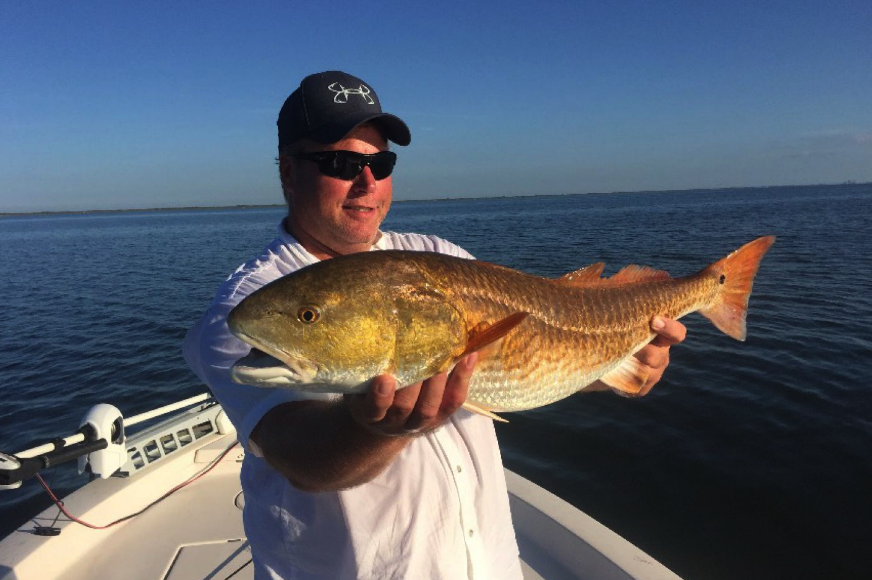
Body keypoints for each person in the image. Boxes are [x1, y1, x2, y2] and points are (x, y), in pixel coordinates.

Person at [183, 70, 686, 580]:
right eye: (341, 163)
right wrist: (367, 427)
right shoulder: (250, 309)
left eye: (381, 163)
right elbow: (297, 454)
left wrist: (621, 365)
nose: (368, 182)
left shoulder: (439, 256)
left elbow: (529, 354)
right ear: (289, 172)